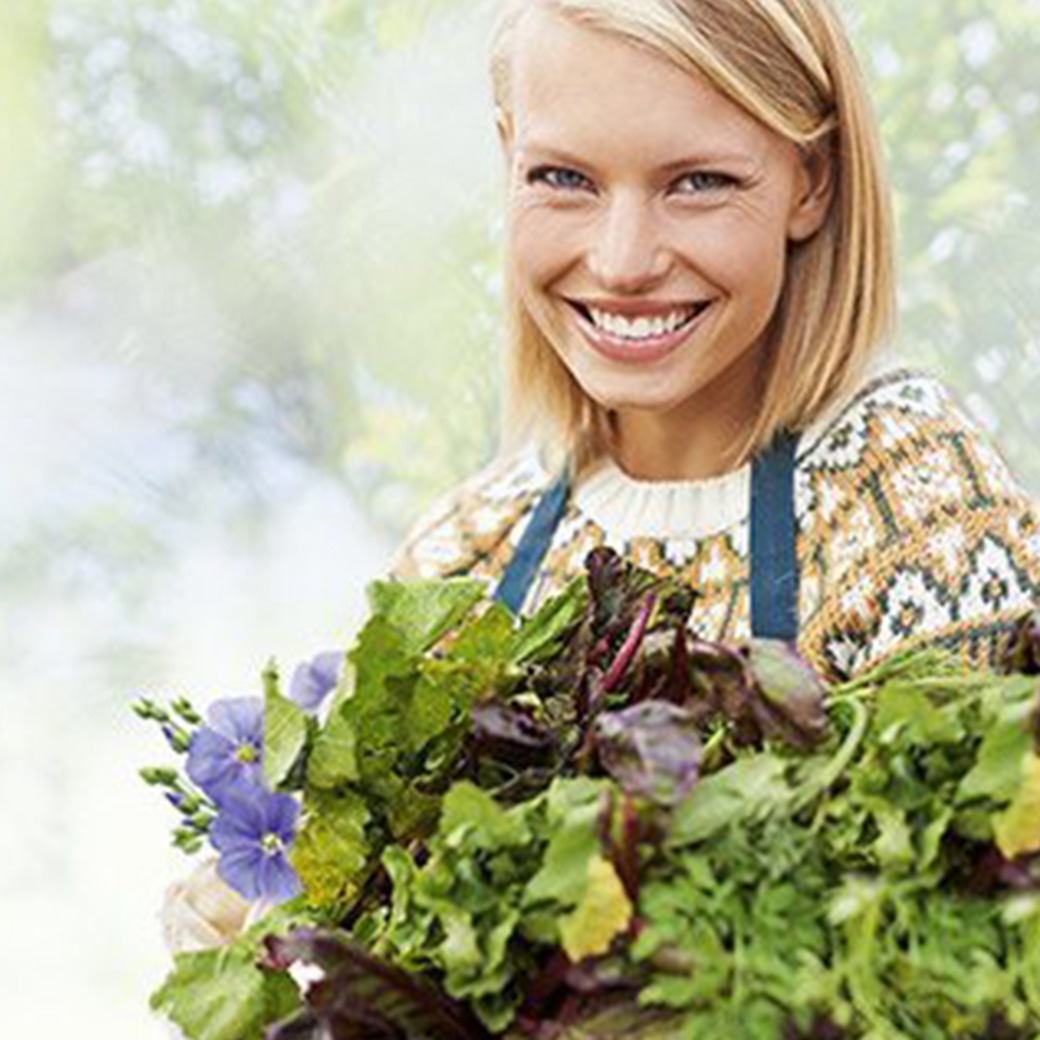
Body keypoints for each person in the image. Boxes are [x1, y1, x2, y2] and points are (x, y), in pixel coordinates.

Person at [391, 0, 1040, 683]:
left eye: (699, 183)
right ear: (507, 156)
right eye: (562, 178)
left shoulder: (921, 511)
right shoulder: (457, 563)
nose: (622, 264)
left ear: (810, 182)